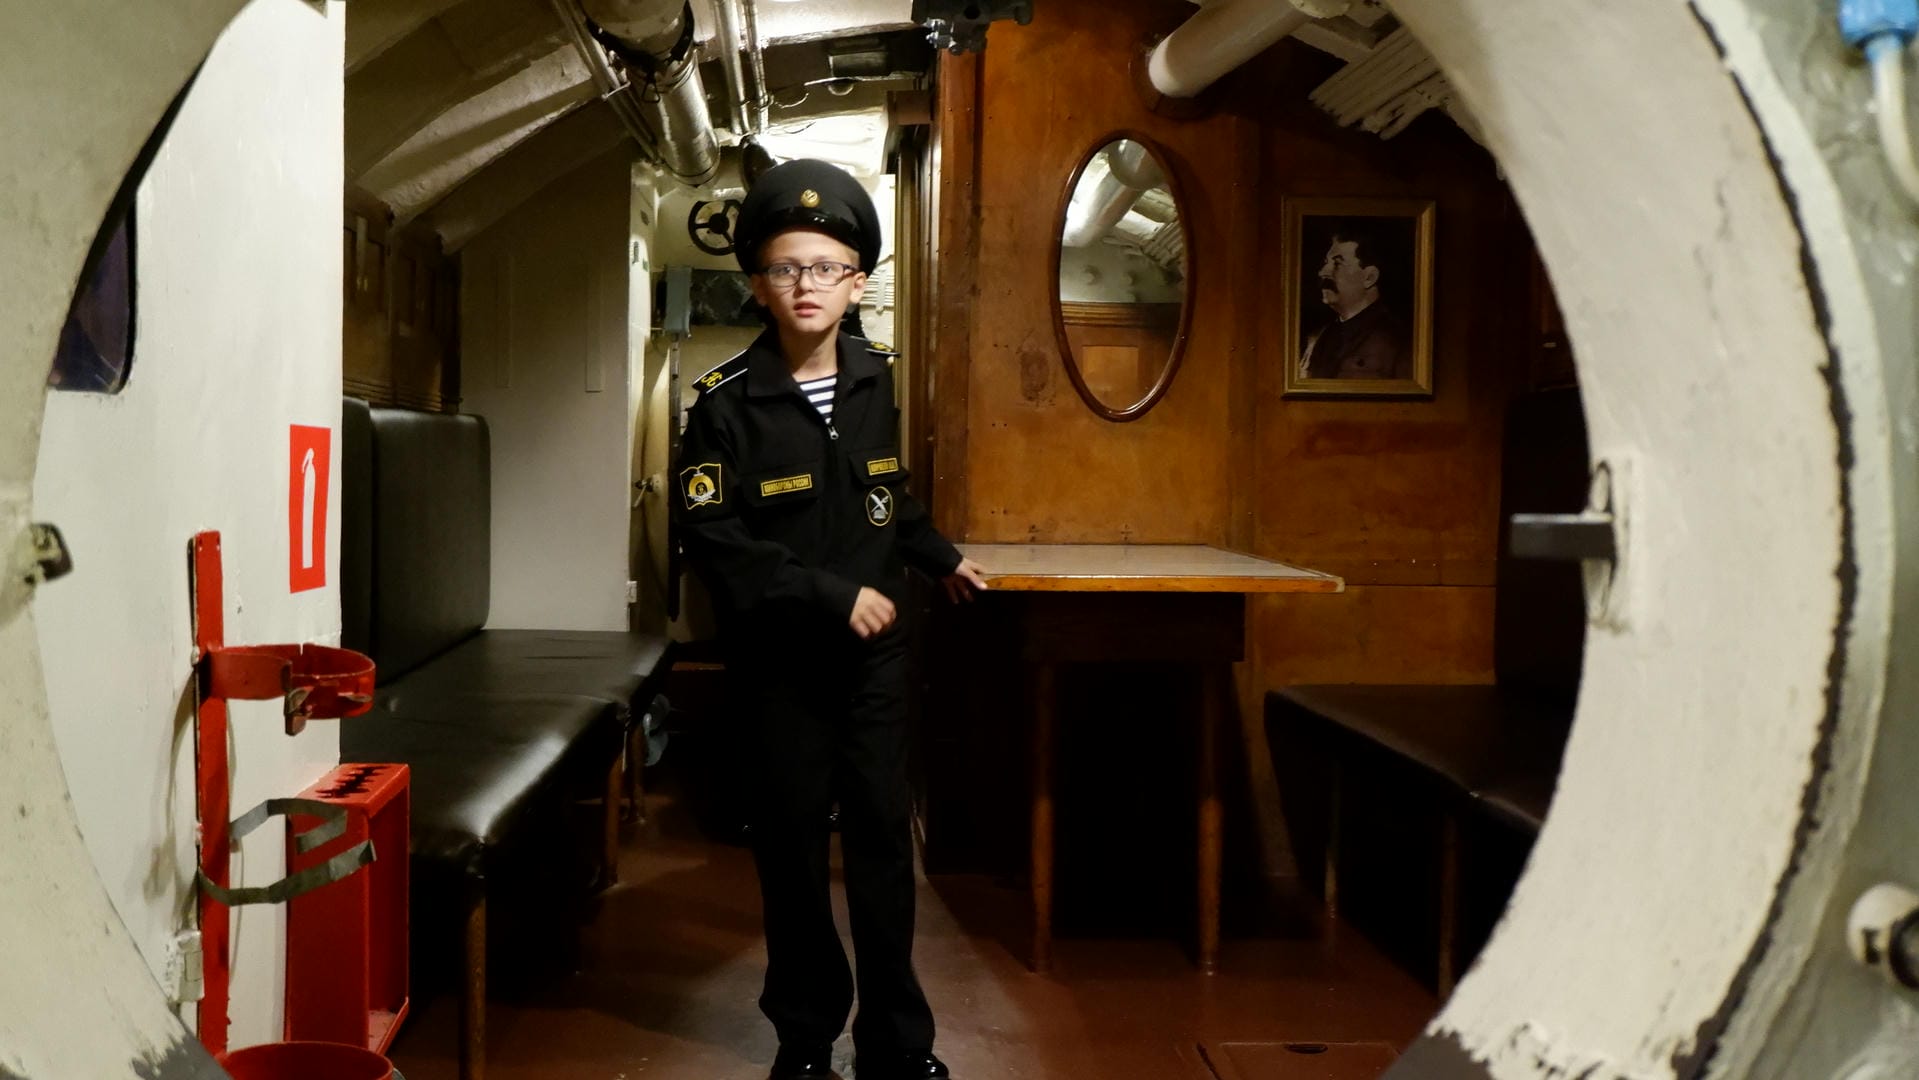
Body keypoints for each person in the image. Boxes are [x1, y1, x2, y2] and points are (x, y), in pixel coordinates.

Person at [675, 158, 987, 1080]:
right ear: (757, 284)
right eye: (785, 268)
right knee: (794, 850)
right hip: (781, 666)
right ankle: (806, 1038)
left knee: (887, 845)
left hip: (875, 665)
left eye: (825, 268)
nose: (805, 286)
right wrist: (829, 593)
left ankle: (897, 1043)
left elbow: (888, 502)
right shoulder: (724, 406)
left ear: (857, 282)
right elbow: (713, 538)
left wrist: (939, 558)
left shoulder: (880, 387)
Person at [1298, 227, 1412, 380]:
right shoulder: (1317, 338)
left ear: (1369, 278)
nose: (1323, 272)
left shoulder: (1398, 341)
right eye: (1326, 262)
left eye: (1337, 263)